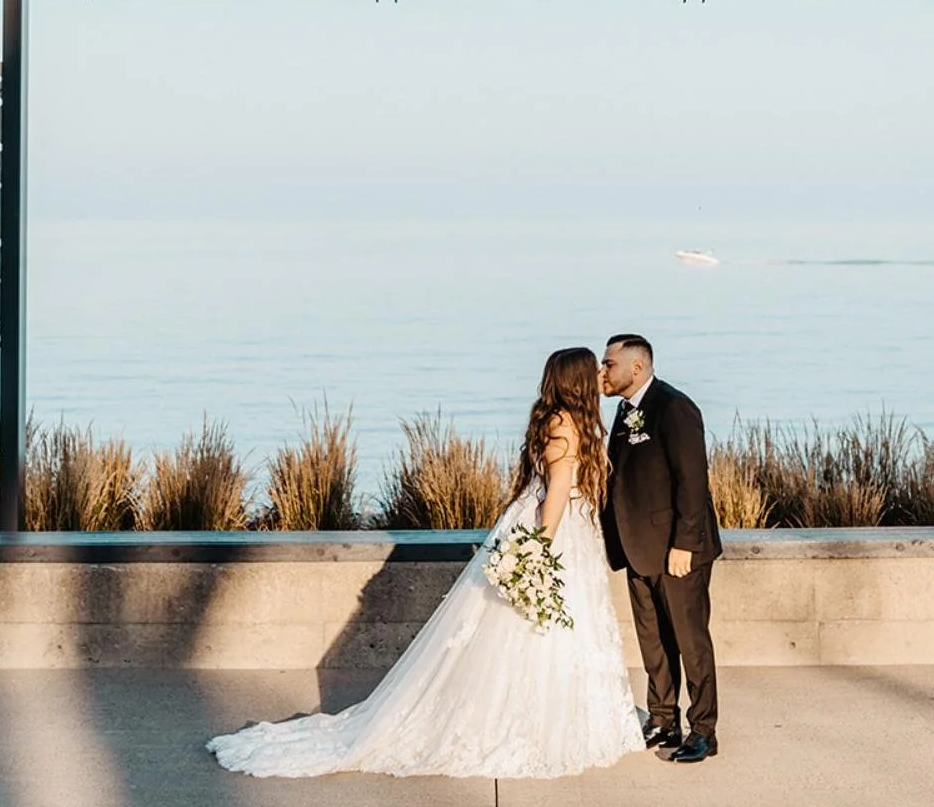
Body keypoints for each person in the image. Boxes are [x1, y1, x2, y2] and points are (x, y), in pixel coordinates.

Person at [207, 346, 644, 779]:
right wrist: (539, 553)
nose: (601, 376)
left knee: (531, 628)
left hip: (554, 530)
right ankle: (539, 721)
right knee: (543, 627)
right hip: (556, 535)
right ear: (577, 381)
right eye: (595, 370)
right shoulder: (568, 427)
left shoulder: (553, 420)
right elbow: (555, 499)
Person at [599, 333, 723, 763]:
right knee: (652, 642)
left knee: (691, 642)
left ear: (636, 367)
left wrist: (685, 544)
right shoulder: (624, 410)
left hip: (677, 550)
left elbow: (693, 481)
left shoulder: (675, 408)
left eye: (608, 364)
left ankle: (703, 729)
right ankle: (663, 718)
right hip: (637, 549)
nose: (602, 373)